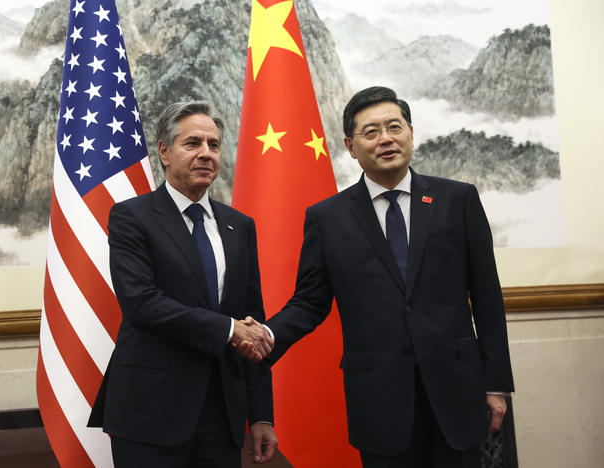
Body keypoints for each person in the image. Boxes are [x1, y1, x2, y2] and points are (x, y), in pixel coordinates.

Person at [263, 86, 514, 467]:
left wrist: (496, 383)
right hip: (379, 397)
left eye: (394, 127)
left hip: (457, 389)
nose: (386, 139)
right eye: (371, 132)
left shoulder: (457, 200)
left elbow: (487, 297)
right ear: (350, 145)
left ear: (410, 133)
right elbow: (310, 302)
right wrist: (265, 337)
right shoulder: (327, 218)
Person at [88, 101, 277, 467]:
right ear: (164, 152)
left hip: (222, 416)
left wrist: (261, 415)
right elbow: (141, 304)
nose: (206, 154)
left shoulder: (240, 226)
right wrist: (228, 329)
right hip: (150, 414)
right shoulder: (132, 217)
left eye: (214, 145)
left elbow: (252, 323)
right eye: (193, 144)